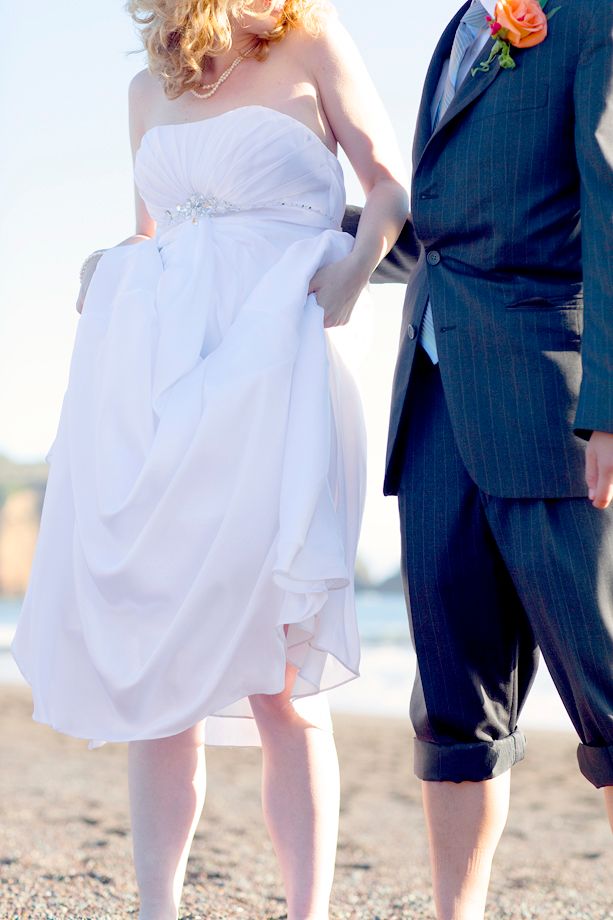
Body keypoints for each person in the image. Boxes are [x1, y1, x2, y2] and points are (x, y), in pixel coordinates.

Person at [11, 2, 409, 917]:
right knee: (161, 671)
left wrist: (353, 271)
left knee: (278, 680)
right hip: (157, 395)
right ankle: (160, 907)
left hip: (276, 382)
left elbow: (388, 185)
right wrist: (106, 265)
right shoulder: (145, 87)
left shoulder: (310, 39)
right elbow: (157, 240)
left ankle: (305, 910)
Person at [344, 0, 613, 916]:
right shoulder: (464, 24)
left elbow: (609, 210)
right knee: (453, 707)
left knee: (609, 694)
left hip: (554, 410)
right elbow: (449, 230)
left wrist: (609, 407)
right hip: (431, 405)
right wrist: (267, 234)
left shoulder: (590, 16)